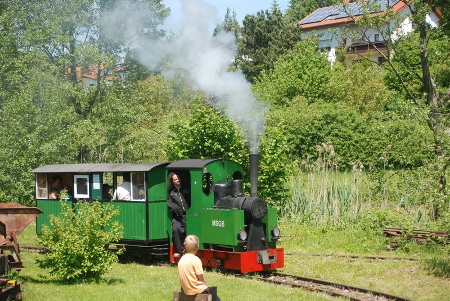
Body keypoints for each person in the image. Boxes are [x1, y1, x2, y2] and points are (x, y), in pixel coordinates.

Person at [177, 235, 220, 301]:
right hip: (196, 289)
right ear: (197, 246)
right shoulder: (196, 260)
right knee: (216, 297)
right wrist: (207, 286)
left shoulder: (181, 259)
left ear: (185, 247)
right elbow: (201, 279)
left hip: (186, 289)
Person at [167, 172, 189, 257]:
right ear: (172, 181)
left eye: (178, 178)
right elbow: (169, 203)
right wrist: (177, 209)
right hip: (178, 215)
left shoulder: (187, 188)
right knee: (176, 229)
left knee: (189, 230)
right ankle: (180, 250)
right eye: (175, 179)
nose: (178, 180)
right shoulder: (171, 192)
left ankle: (189, 250)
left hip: (189, 214)